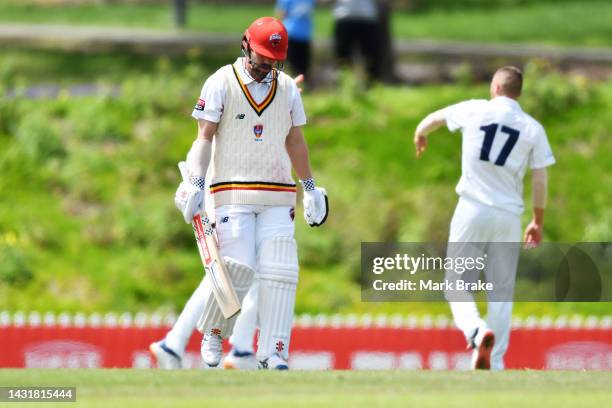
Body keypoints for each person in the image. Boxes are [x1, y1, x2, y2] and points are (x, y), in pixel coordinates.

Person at [149, 16, 329, 370]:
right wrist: (196, 182)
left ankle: (273, 352)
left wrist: (309, 187)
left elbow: (295, 139)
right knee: (237, 267)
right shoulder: (220, 81)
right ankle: (215, 332)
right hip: (232, 190)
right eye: (262, 57)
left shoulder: (288, 87)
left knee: (281, 270)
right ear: (245, 45)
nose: (267, 66)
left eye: (274, 60)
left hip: (278, 192)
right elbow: (203, 137)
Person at [413, 66, 555, 370]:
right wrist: (537, 220)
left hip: (472, 209)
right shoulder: (533, 128)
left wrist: (420, 133)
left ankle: (477, 332)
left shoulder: (475, 109)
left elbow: (434, 118)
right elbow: (540, 179)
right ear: (518, 92)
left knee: (456, 283)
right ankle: (497, 361)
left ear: (496, 88)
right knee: (500, 291)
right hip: (508, 216)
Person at [332, 0, 381, 83]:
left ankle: (371, 86)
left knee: (370, 57)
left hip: (367, 17)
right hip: (344, 15)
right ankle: (344, 85)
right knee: (342, 57)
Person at [276, 0, 315, 81]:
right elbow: (281, 14)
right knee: (292, 63)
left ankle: (302, 84)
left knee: (304, 65)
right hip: (291, 34)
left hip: (305, 35)